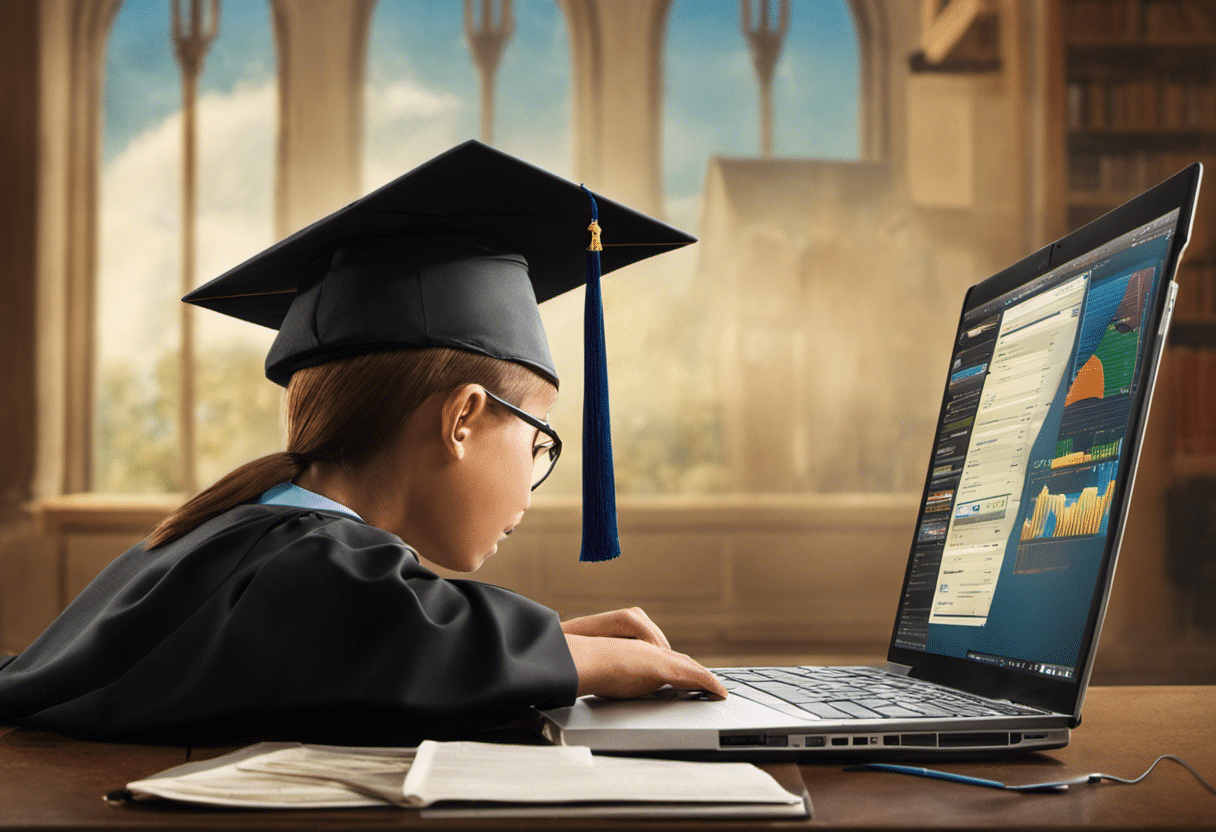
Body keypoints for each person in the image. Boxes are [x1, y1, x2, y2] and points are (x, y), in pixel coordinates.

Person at [0, 142, 727, 743]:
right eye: (539, 442)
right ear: (463, 419)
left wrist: (547, 651)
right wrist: (576, 659)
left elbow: (362, 644)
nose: (539, 478)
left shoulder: (239, 535)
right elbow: (379, 623)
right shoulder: (308, 562)